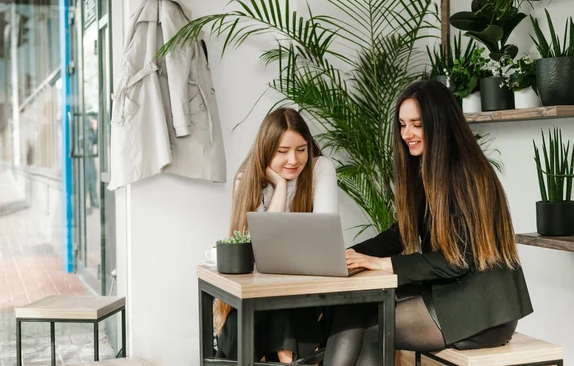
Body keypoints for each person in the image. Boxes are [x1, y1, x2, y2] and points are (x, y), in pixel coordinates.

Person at [323, 79, 533, 366]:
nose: (406, 133)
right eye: (402, 124)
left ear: (439, 123)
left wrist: (386, 264)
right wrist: (345, 255)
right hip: (453, 293)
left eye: (416, 124)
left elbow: (457, 260)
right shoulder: (430, 169)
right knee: (355, 307)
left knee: (375, 329)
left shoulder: (469, 175)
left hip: (484, 309)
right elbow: (400, 234)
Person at [215, 107, 338, 363]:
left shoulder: (321, 168)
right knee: (272, 317)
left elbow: (322, 239)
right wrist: (280, 186)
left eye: (301, 149)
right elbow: (260, 253)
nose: (293, 160)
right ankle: (286, 357)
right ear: (266, 149)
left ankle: (285, 357)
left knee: (284, 316)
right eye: (282, 152)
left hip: (306, 292)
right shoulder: (246, 180)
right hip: (260, 295)